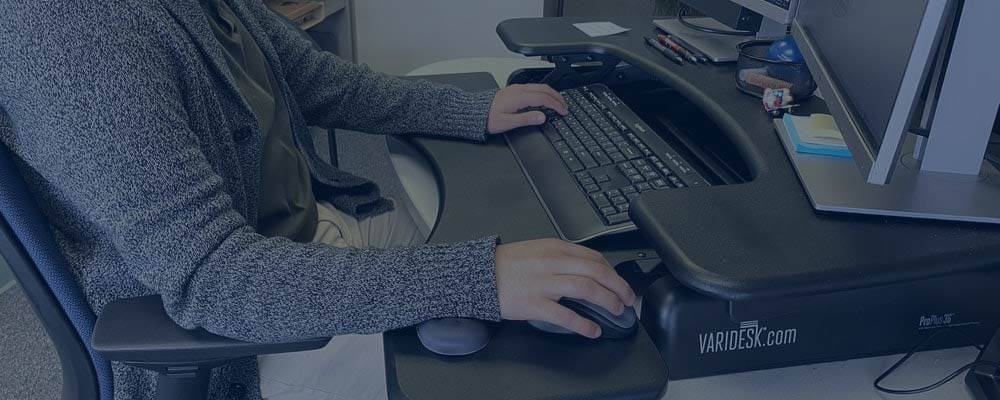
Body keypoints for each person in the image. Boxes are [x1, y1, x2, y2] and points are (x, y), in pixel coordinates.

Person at [0, 1, 636, 399]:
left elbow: (316, 81)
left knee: (544, 247)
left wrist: (469, 110)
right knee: (533, 367)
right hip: (241, 340)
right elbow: (214, 279)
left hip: (306, 243)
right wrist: (477, 278)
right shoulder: (71, 30)